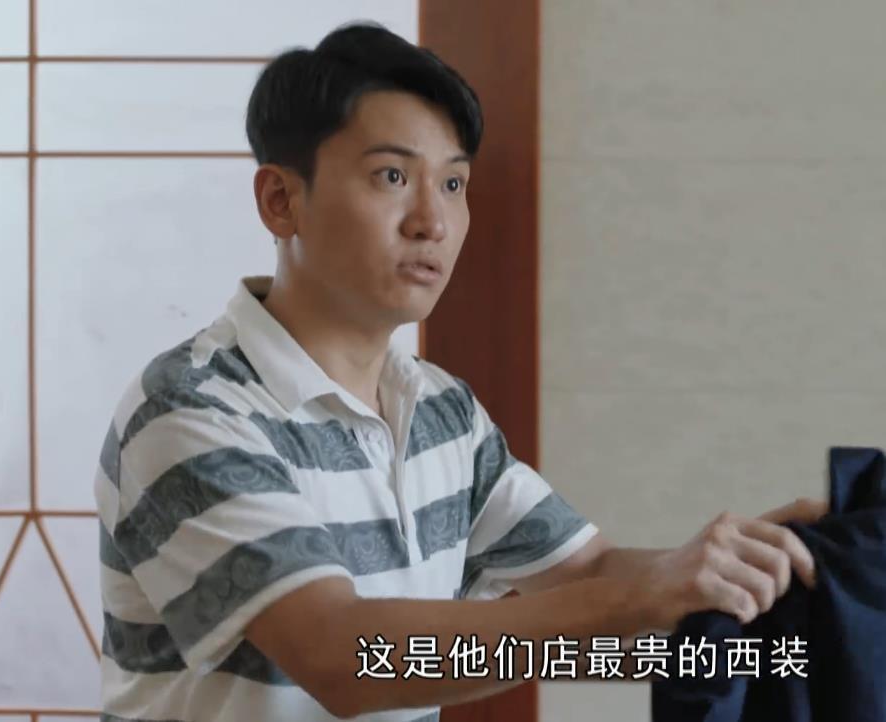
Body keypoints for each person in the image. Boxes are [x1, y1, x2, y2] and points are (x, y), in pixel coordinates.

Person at [94, 21, 829, 722]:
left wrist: (752, 584)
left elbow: (587, 576)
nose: (434, 222)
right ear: (281, 201)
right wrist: (644, 597)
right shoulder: (190, 409)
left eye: (453, 184)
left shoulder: (441, 410)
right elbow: (342, 656)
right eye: (392, 176)